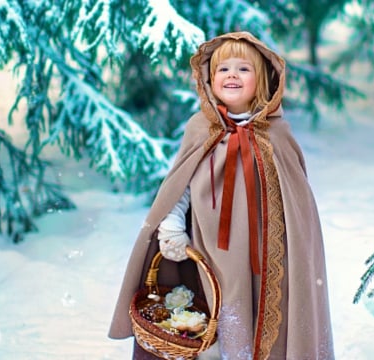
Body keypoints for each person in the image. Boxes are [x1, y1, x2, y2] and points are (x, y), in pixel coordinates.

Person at [108, 31, 335, 360]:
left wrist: (290, 247)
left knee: (268, 316)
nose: (232, 75)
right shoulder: (200, 129)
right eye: (222, 69)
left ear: (264, 80)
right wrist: (171, 225)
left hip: (269, 255)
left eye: (244, 69)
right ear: (208, 79)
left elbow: (297, 206)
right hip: (210, 252)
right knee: (217, 318)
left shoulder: (278, 135)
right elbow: (179, 185)